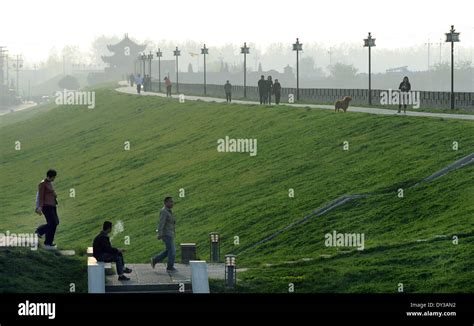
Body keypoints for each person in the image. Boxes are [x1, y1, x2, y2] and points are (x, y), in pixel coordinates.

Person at [151, 197, 177, 273]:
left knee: (168, 250)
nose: (172, 203)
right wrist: (159, 234)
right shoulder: (164, 211)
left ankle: (155, 260)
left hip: (170, 233)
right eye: (170, 202)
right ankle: (170, 267)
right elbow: (161, 223)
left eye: (172, 202)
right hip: (166, 234)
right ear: (166, 203)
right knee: (172, 251)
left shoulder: (169, 211)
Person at [35, 169, 60, 249]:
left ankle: (49, 242)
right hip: (46, 206)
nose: (54, 178)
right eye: (54, 177)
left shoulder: (49, 183)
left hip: (52, 205)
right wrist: (39, 207)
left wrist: (54, 194)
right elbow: (40, 196)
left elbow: (50, 193)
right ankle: (39, 231)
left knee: (55, 223)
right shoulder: (43, 184)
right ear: (51, 176)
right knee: (52, 223)